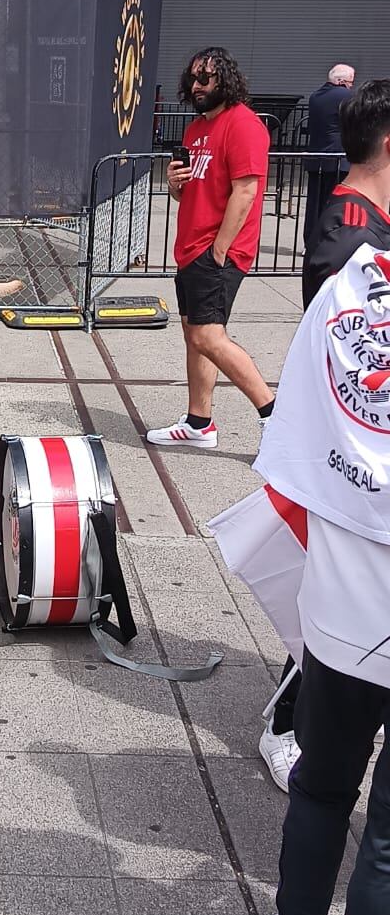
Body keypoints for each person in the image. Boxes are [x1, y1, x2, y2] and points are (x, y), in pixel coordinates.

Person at [259, 79, 390, 792]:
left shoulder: (367, 220)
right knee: (326, 598)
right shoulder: (350, 231)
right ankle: (286, 728)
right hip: (348, 456)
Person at [146, 47, 275, 449]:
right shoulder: (196, 129)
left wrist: (219, 251)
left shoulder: (244, 124)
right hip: (191, 248)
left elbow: (246, 191)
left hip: (217, 252)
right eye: (193, 78)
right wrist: (174, 185)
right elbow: (188, 194)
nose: (197, 86)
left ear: (225, 80)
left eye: (206, 78)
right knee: (194, 335)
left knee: (207, 336)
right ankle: (199, 422)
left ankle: (276, 417)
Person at [304, 63, 355, 244]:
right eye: (350, 82)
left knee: (314, 203)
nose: (351, 86)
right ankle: (329, 240)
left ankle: (310, 241)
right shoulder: (346, 96)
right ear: (341, 81)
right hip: (338, 157)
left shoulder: (315, 96)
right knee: (335, 204)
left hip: (316, 156)